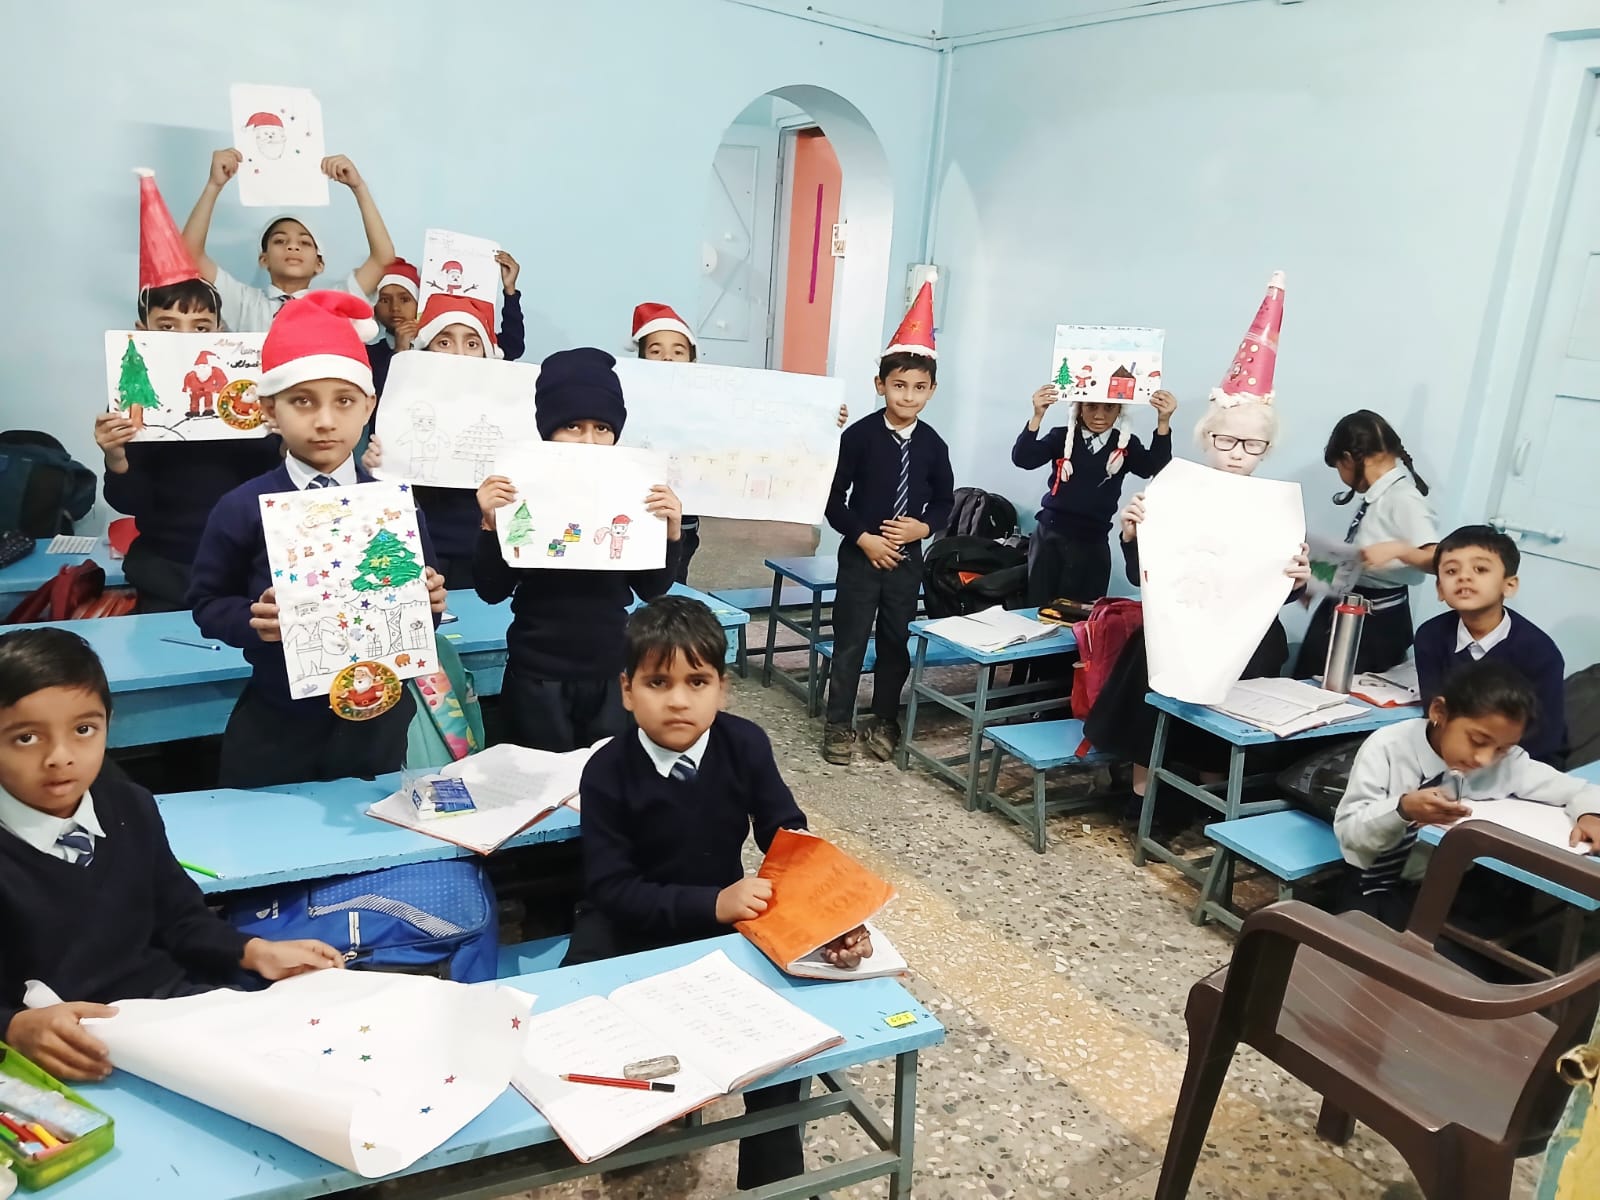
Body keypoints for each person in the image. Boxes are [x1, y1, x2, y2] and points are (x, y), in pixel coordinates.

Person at [563, 594, 870, 1189]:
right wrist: (713, 903)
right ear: (627, 690)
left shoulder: (744, 743)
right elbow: (611, 885)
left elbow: (786, 833)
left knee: (781, 1050)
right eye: (658, 681)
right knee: (583, 1018)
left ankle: (772, 1180)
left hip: (720, 914)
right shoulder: (605, 769)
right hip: (628, 919)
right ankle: (628, 1140)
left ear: (722, 689)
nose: (678, 699)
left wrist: (830, 917)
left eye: (696, 681)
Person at [0, 628, 343, 1081]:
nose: (60, 757)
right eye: (26, 738)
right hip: (66, 1053)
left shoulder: (128, 806)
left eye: (84, 730)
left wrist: (252, 949)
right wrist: (13, 1027)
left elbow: (181, 916)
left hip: (172, 1016)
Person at [188, 292, 447, 787]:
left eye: (344, 401)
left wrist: (431, 601)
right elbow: (206, 601)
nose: (325, 420)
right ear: (269, 409)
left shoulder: (394, 503)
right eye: (302, 401)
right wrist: (250, 619)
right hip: (280, 715)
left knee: (369, 829)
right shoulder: (243, 505)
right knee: (273, 832)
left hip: (377, 715)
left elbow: (423, 603)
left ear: (368, 405)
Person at [1083, 272, 1310, 818]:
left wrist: (1302, 578)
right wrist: (1132, 534)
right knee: (1148, 671)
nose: (1237, 453)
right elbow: (1144, 577)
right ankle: (1141, 794)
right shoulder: (1171, 489)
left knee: (1234, 688)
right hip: (1175, 620)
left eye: (1252, 444)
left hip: (1246, 634)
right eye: (1226, 440)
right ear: (1208, 438)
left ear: (1266, 448)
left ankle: (1210, 800)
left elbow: (1279, 592)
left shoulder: (1277, 509)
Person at [473, 348, 683, 752]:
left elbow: (652, 589)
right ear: (548, 431)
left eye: (602, 428)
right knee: (537, 786)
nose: (588, 441)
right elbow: (491, 589)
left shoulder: (633, 491)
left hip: (609, 666)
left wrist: (671, 532)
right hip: (536, 671)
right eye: (572, 426)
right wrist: (489, 525)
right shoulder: (517, 490)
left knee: (605, 784)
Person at [96, 169, 283, 613]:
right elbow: (130, 501)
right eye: (168, 326)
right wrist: (116, 457)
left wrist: (279, 432)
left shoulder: (246, 392)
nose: (185, 337)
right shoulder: (133, 399)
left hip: (243, 567)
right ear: (143, 332)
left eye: (199, 327)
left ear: (218, 330)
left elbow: (269, 481)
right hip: (166, 569)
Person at [1333, 658, 1600, 931]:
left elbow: (1579, 788)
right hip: (1373, 883)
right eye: (1478, 740)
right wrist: (1402, 810)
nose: (1485, 759)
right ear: (1440, 712)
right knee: (1365, 954)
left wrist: (1589, 813)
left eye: (1502, 748)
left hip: (1450, 886)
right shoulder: (1387, 748)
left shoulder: (1508, 764)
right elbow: (1351, 834)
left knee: (1478, 954)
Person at [822, 278, 954, 765]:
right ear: (881, 385)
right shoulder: (858, 438)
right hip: (861, 560)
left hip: (906, 563)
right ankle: (839, 724)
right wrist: (864, 539)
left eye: (920, 388)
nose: (908, 396)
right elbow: (834, 499)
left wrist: (924, 529)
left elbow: (944, 501)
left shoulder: (934, 445)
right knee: (851, 641)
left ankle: (885, 719)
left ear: (932, 390)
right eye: (899, 386)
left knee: (895, 641)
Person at [630, 302, 848, 585]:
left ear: (692, 361)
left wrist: (825, 416)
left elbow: (766, 425)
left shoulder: (708, 403)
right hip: (634, 510)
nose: (667, 359)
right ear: (642, 357)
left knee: (671, 582)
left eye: (678, 351)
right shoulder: (628, 399)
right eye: (656, 351)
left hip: (683, 519)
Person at [363, 293, 510, 589]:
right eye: (444, 342)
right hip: (422, 544)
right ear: (426, 349)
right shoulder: (400, 408)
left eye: (471, 343)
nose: (458, 354)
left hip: (483, 544)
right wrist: (375, 468)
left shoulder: (511, 412)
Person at [181, 149, 395, 332]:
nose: (292, 246)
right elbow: (188, 254)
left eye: (304, 243)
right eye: (280, 241)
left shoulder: (336, 301)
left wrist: (359, 187)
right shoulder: (244, 302)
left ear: (319, 264)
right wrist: (213, 186)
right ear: (263, 259)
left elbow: (383, 259)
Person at [1294, 409, 1437, 676]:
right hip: (1345, 603)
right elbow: (1361, 555)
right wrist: (1320, 579)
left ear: (1347, 459)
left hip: (1377, 622)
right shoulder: (1377, 497)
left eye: (1338, 468)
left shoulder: (1404, 498)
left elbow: (1439, 559)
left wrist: (1401, 551)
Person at [1413, 525, 1567, 766]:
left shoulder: (1539, 652)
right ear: (1440, 589)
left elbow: (1543, 739)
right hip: (1451, 755)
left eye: (1480, 569)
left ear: (1509, 585)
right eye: (1452, 571)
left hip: (1522, 761)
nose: (1464, 577)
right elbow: (1436, 716)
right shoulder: (1430, 636)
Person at [1011, 384, 1176, 606]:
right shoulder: (1062, 437)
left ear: (1119, 411)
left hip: (1093, 542)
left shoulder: (1125, 444)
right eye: (1090, 406)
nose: (1099, 415)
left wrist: (1163, 422)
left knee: (1085, 613)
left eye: (1109, 408)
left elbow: (1155, 468)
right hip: (1050, 537)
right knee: (1039, 606)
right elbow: (1023, 458)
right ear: (1079, 408)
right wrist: (1038, 415)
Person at [369, 252, 526, 394]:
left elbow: (512, 345)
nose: (395, 308)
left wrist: (510, 291)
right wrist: (400, 354)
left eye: (471, 344)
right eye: (444, 343)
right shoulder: (377, 355)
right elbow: (379, 397)